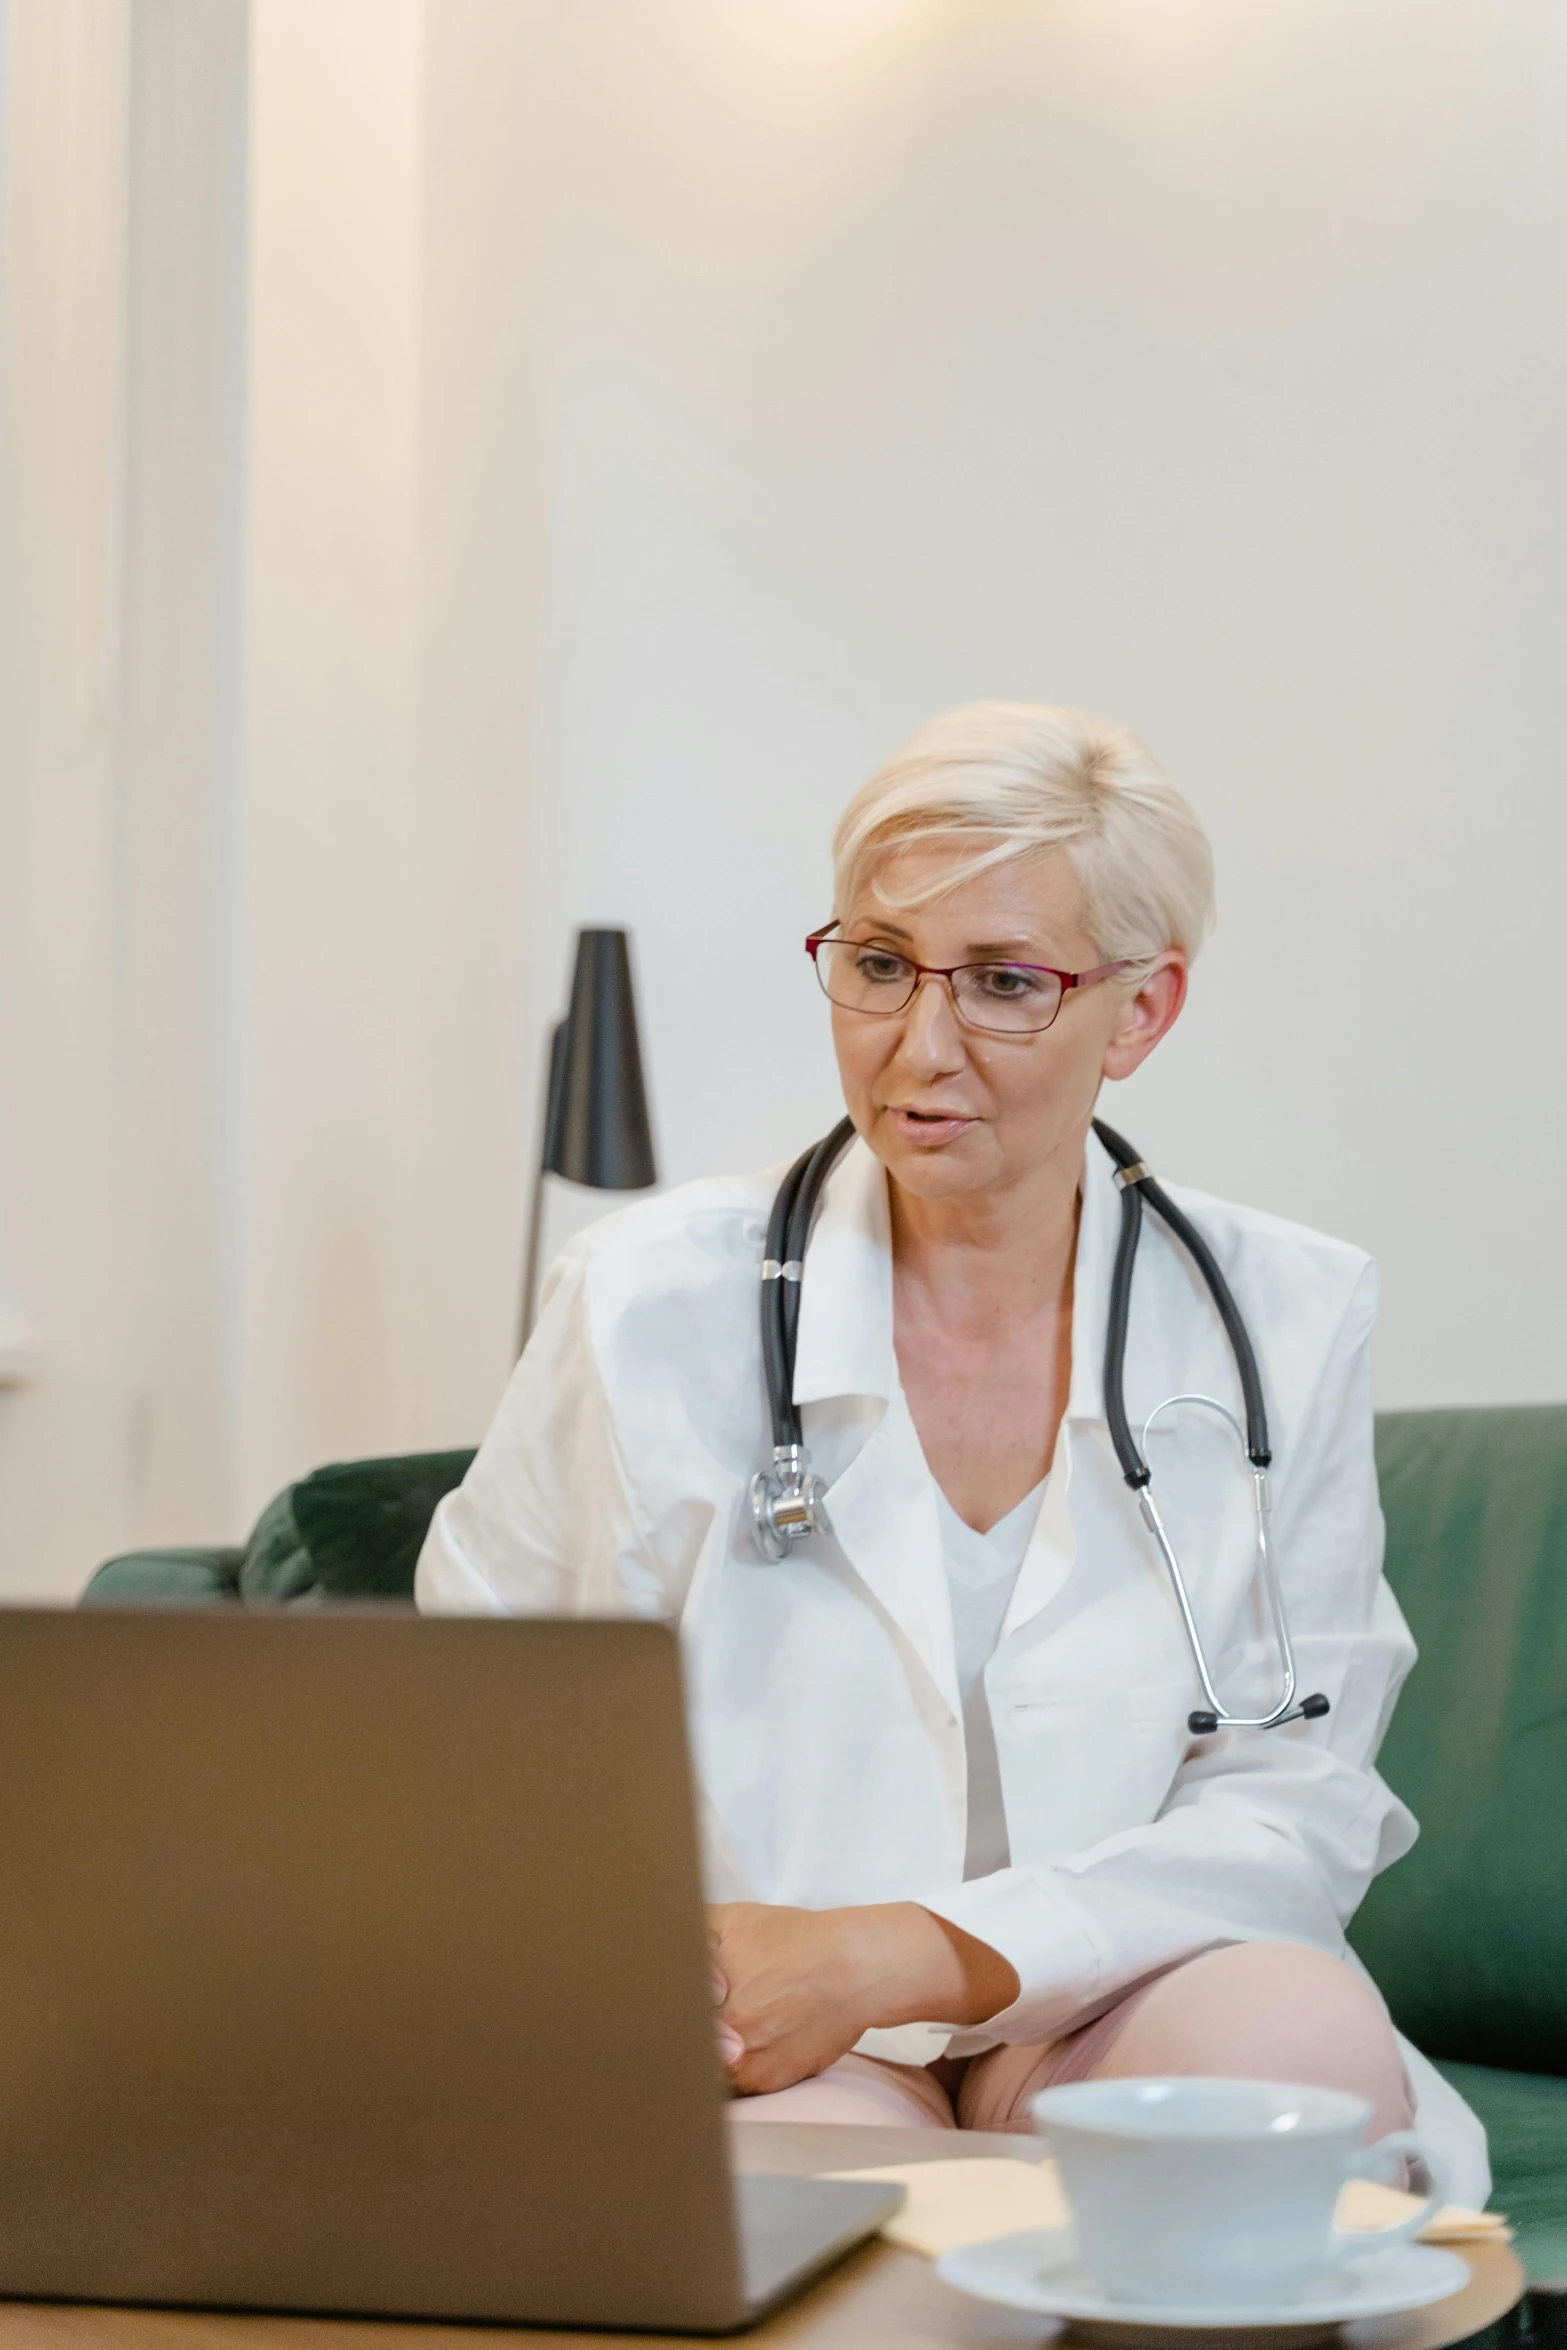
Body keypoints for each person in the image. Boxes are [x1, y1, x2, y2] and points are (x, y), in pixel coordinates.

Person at [415, 701, 1485, 2197]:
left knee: (1294, 2055)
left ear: (1140, 1011)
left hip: (1123, 1985)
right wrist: (690, 1962)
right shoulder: (647, 1298)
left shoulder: (1282, 1314)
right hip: (776, 2013)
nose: (920, 1047)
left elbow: (1292, 1796)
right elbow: (480, 1714)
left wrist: (914, 1951)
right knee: (827, 2228)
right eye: (875, 964)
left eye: (1002, 983)